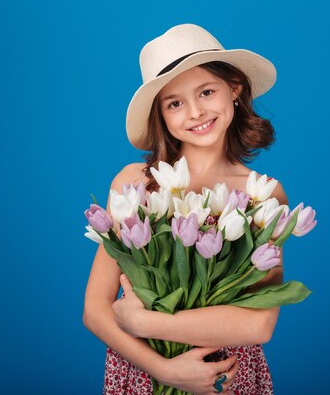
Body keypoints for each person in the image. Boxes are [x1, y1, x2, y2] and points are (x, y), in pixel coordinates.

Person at [83, 23, 288, 395]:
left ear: (235, 89)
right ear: (160, 115)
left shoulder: (262, 196)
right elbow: (96, 309)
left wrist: (146, 323)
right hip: (144, 372)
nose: (195, 112)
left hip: (226, 375)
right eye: (175, 103)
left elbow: (258, 325)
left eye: (206, 91)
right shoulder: (136, 184)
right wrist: (165, 370)